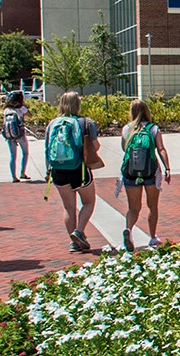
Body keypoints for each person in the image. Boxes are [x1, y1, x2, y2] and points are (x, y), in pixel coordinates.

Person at [46, 91, 102, 252]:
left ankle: (73, 242)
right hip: (80, 170)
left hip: (58, 170)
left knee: (69, 207)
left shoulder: (53, 124)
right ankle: (79, 231)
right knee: (89, 202)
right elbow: (95, 146)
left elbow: (47, 148)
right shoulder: (85, 123)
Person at [117, 99, 172, 250]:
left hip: (131, 172)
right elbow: (161, 149)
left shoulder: (127, 129)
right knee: (152, 206)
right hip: (150, 172)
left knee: (133, 208)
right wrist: (167, 168)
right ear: (147, 111)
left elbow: (124, 148)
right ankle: (153, 237)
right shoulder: (153, 129)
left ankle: (128, 229)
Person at [3, 92, 32, 182]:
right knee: (25, 153)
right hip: (20, 134)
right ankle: (22, 173)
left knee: (13, 156)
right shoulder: (21, 108)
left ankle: (14, 177)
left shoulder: (6, 109)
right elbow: (30, 116)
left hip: (9, 135)